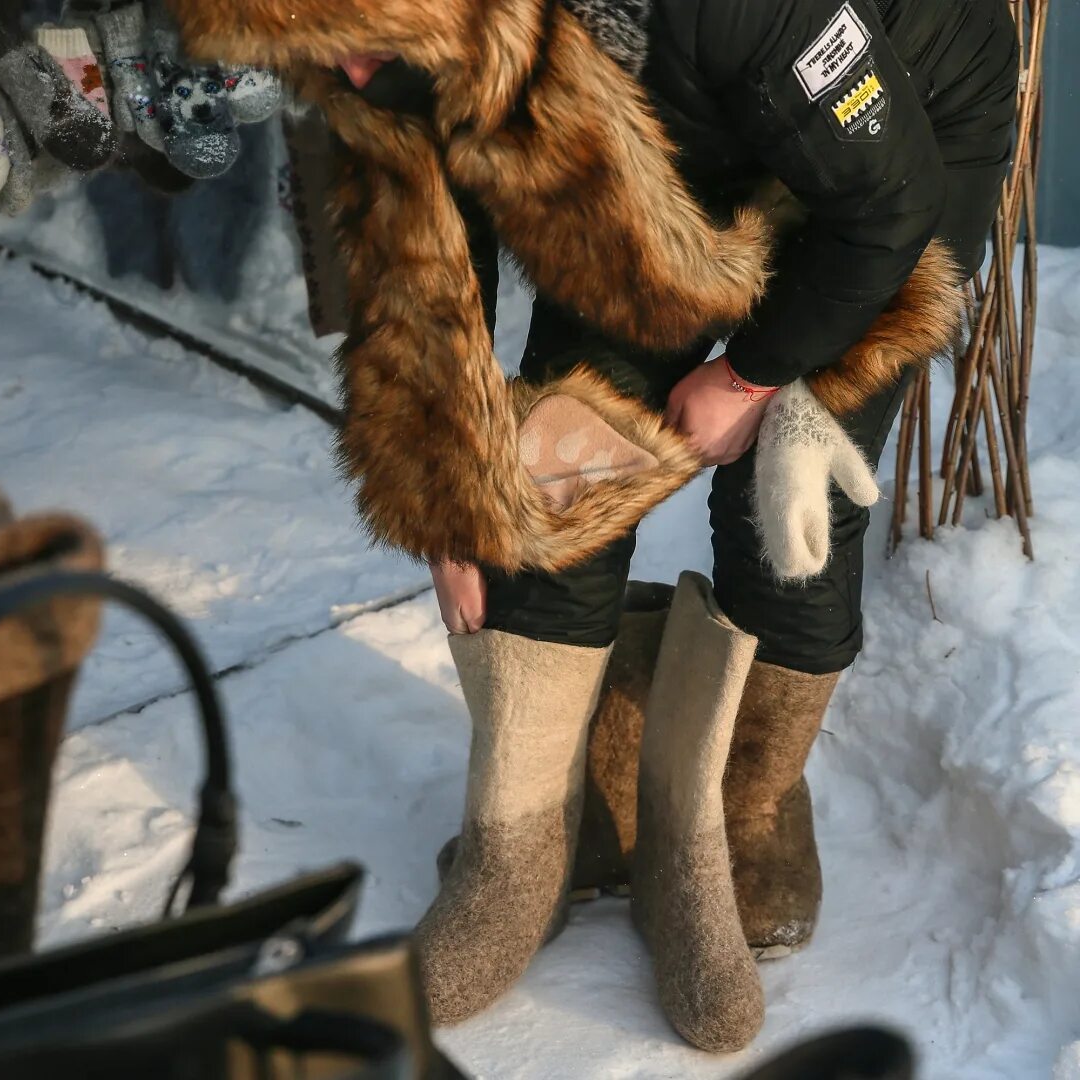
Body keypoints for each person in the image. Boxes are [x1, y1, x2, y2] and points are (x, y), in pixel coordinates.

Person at [170, 0, 1019, 1027]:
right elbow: (418, 271)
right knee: (561, 453)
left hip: (898, 139)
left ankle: (735, 808)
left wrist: (751, 376)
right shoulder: (373, 50)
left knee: (789, 500)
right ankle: (519, 843)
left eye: (360, 42)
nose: (348, 76)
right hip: (651, 121)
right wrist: (451, 495)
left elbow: (890, 201)